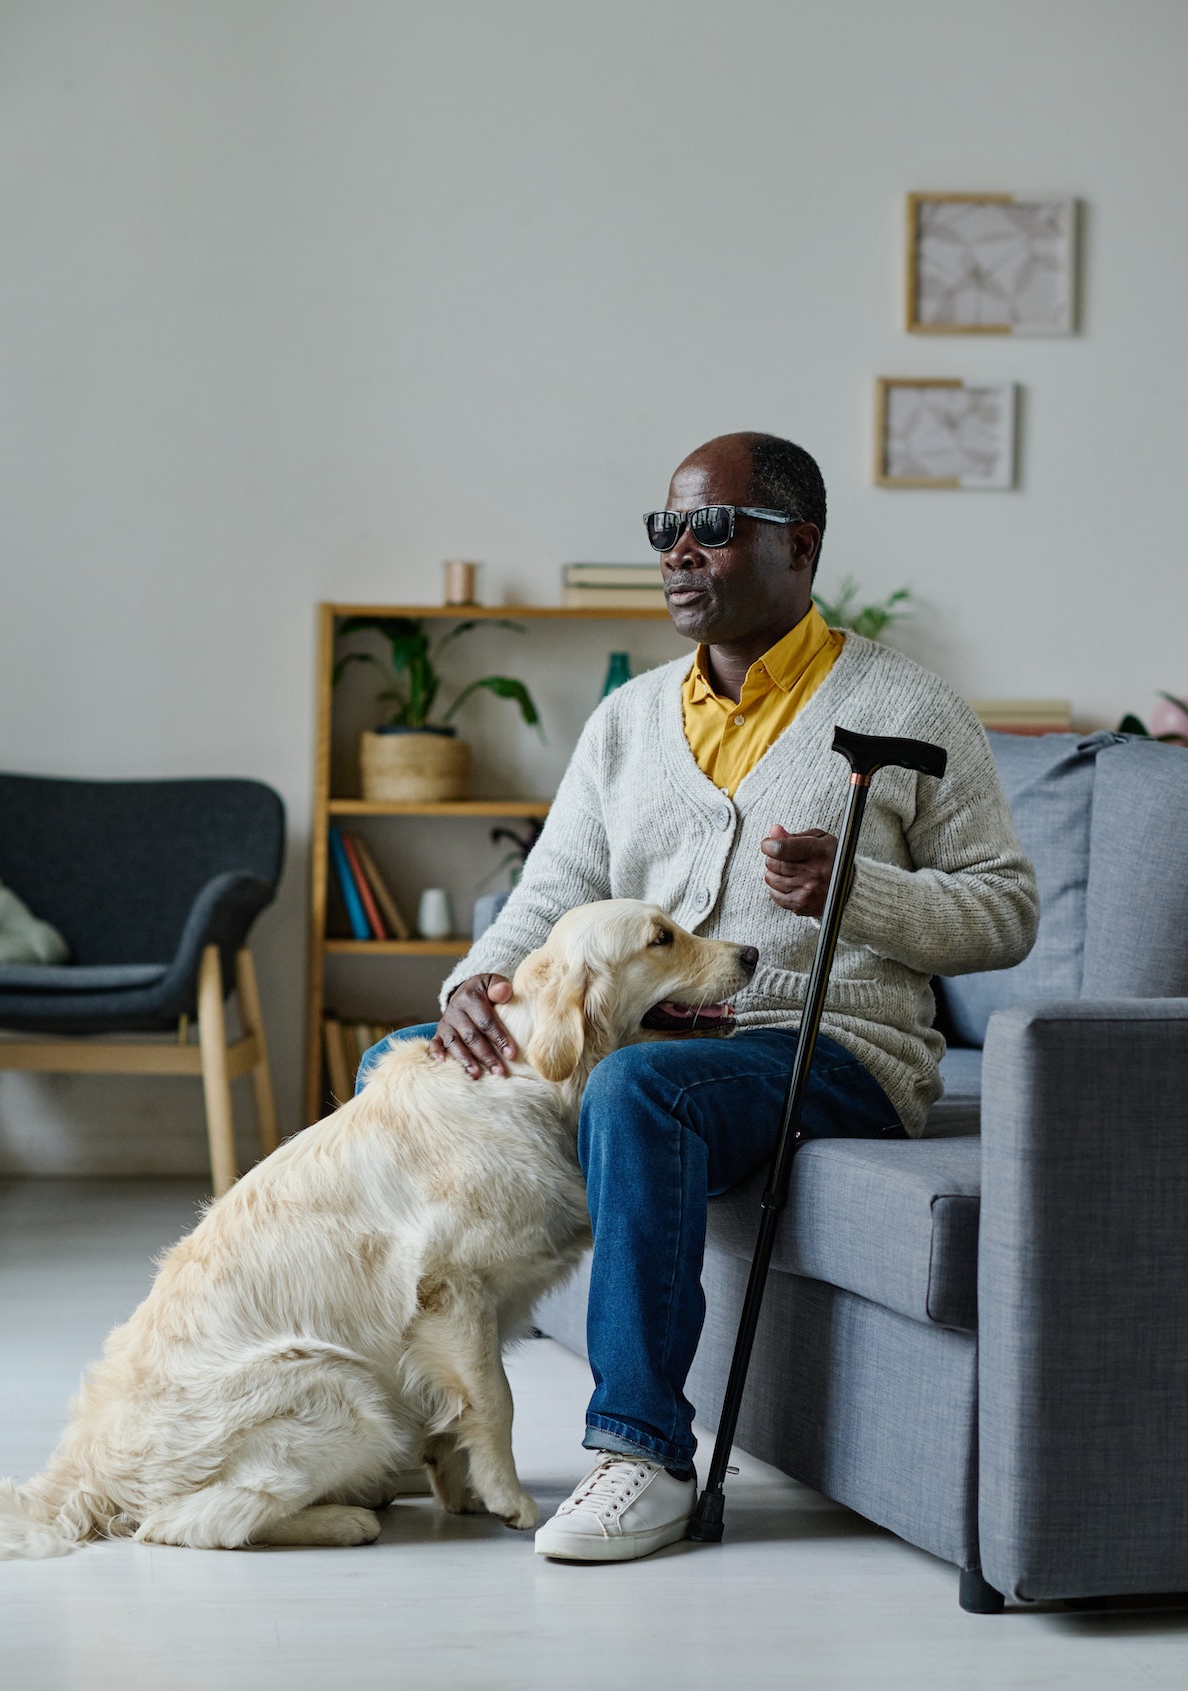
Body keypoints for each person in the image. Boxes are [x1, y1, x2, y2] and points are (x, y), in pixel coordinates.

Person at [361, 432, 1038, 1563]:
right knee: (401, 1059)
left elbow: (1005, 909)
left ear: (799, 545)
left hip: (830, 1048)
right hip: (647, 1028)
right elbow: (553, 893)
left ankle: (640, 1455)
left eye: (711, 528)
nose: (679, 552)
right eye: (664, 529)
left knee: (639, 1090)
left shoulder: (908, 704)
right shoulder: (626, 723)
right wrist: (476, 982)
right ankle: (409, 1415)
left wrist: (856, 894)